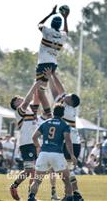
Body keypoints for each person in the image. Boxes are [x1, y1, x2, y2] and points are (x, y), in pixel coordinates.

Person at [44, 68, 84, 200]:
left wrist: (52, 76)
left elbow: (57, 90)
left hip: (69, 144)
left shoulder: (66, 108)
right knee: (66, 171)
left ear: (71, 101)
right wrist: (52, 76)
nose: (65, 95)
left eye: (68, 96)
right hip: (74, 143)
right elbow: (58, 91)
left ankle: (70, 195)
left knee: (62, 171)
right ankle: (75, 194)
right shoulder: (69, 107)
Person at [28, 105, 75, 201]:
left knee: (37, 180)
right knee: (66, 179)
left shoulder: (45, 123)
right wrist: (72, 155)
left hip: (43, 154)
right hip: (57, 154)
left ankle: (31, 197)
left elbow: (34, 137)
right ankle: (69, 198)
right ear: (63, 114)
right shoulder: (64, 125)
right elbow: (68, 141)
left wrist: (38, 147)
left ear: (53, 112)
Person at [8, 81, 42, 200]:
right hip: (27, 143)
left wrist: (39, 86)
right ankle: (14, 186)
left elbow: (36, 99)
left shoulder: (30, 110)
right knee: (29, 170)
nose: (20, 98)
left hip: (34, 144)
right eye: (17, 99)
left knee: (34, 171)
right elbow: (28, 100)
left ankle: (31, 196)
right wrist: (35, 84)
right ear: (15, 105)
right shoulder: (19, 111)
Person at [34, 5, 69, 118]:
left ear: (52, 24)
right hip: (53, 64)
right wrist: (65, 18)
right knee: (42, 90)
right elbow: (66, 31)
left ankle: (47, 113)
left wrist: (50, 14)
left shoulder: (47, 31)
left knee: (40, 90)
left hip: (44, 63)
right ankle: (44, 111)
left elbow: (39, 24)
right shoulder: (62, 36)